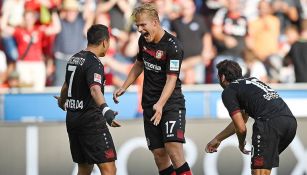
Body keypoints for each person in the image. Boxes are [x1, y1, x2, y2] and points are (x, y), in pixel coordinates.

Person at [113, 3, 193, 175]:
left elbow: (172, 80)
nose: (140, 29)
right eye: (137, 26)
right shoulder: (143, 40)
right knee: (159, 155)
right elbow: (138, 65)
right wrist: (124, 86)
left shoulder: (173, 46)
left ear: (155, 22)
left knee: (173, 150)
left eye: (143, 25)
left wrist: (161, 104)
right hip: (149, 105)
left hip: (170, 104)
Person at [205, 60, 297, 175]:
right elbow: (242, 120)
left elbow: (241, 127)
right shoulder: (251, 81)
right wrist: (218, 138)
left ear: (222, 77)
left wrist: (241, 142)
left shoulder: (229, 91)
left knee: (259, 172)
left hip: (269, 124)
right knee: (264, 169)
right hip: (290, 123)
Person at [55, 24, 120, 175]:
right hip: (91, 122)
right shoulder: (94, 63)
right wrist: (106, 110)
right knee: (109, 169)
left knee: (84, 168)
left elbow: (66, 85)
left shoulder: (74, 58)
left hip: (72, 119)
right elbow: (95, 89)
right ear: (105, 42)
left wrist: (62, 101)